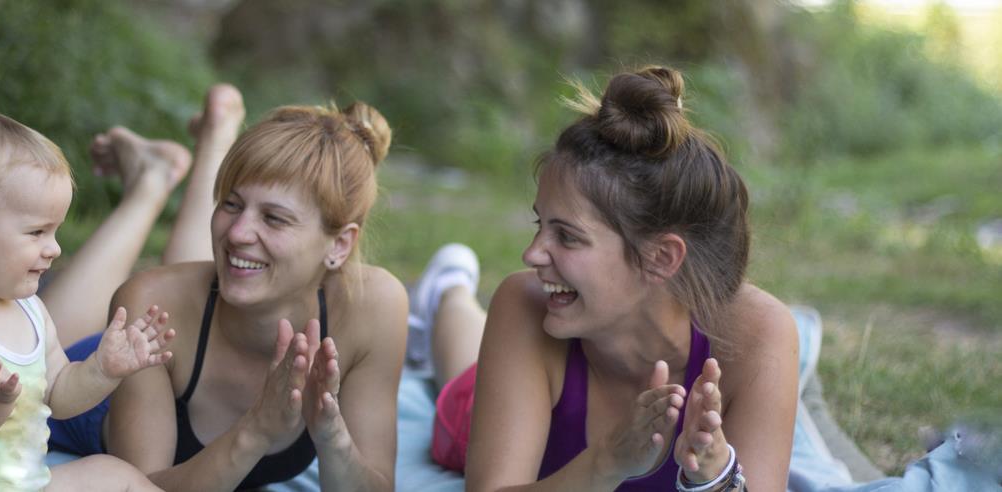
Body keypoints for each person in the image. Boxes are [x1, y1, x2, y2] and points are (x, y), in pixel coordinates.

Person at [409, 66, 800, 491]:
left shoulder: (758, 335)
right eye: (540, 225)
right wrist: (607, 463)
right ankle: (449, 290)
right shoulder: (525, 305)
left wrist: (717, 478)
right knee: (457, 382)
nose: (531, 253)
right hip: (489, 403)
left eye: (567, 236)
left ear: (661, 257)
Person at [45, 89, 408, 491]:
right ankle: (149, 183)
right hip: (90, 388)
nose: (236, 232)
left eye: (274, 218)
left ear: (340, 245)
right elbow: (141, 487)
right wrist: (256, 430)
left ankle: (211, 139)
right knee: (25, 350)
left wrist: (333, 437)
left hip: (186, 323)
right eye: (230, 204)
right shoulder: (151, 301)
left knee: (223, 271)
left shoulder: (371, 307)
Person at [0, 106, 172, 491]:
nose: (54, 249)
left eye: (54, 232)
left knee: (116, 475)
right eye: (36, 232)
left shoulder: (30, 311)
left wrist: (102, 370)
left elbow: (58, 395)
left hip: (26, 485)